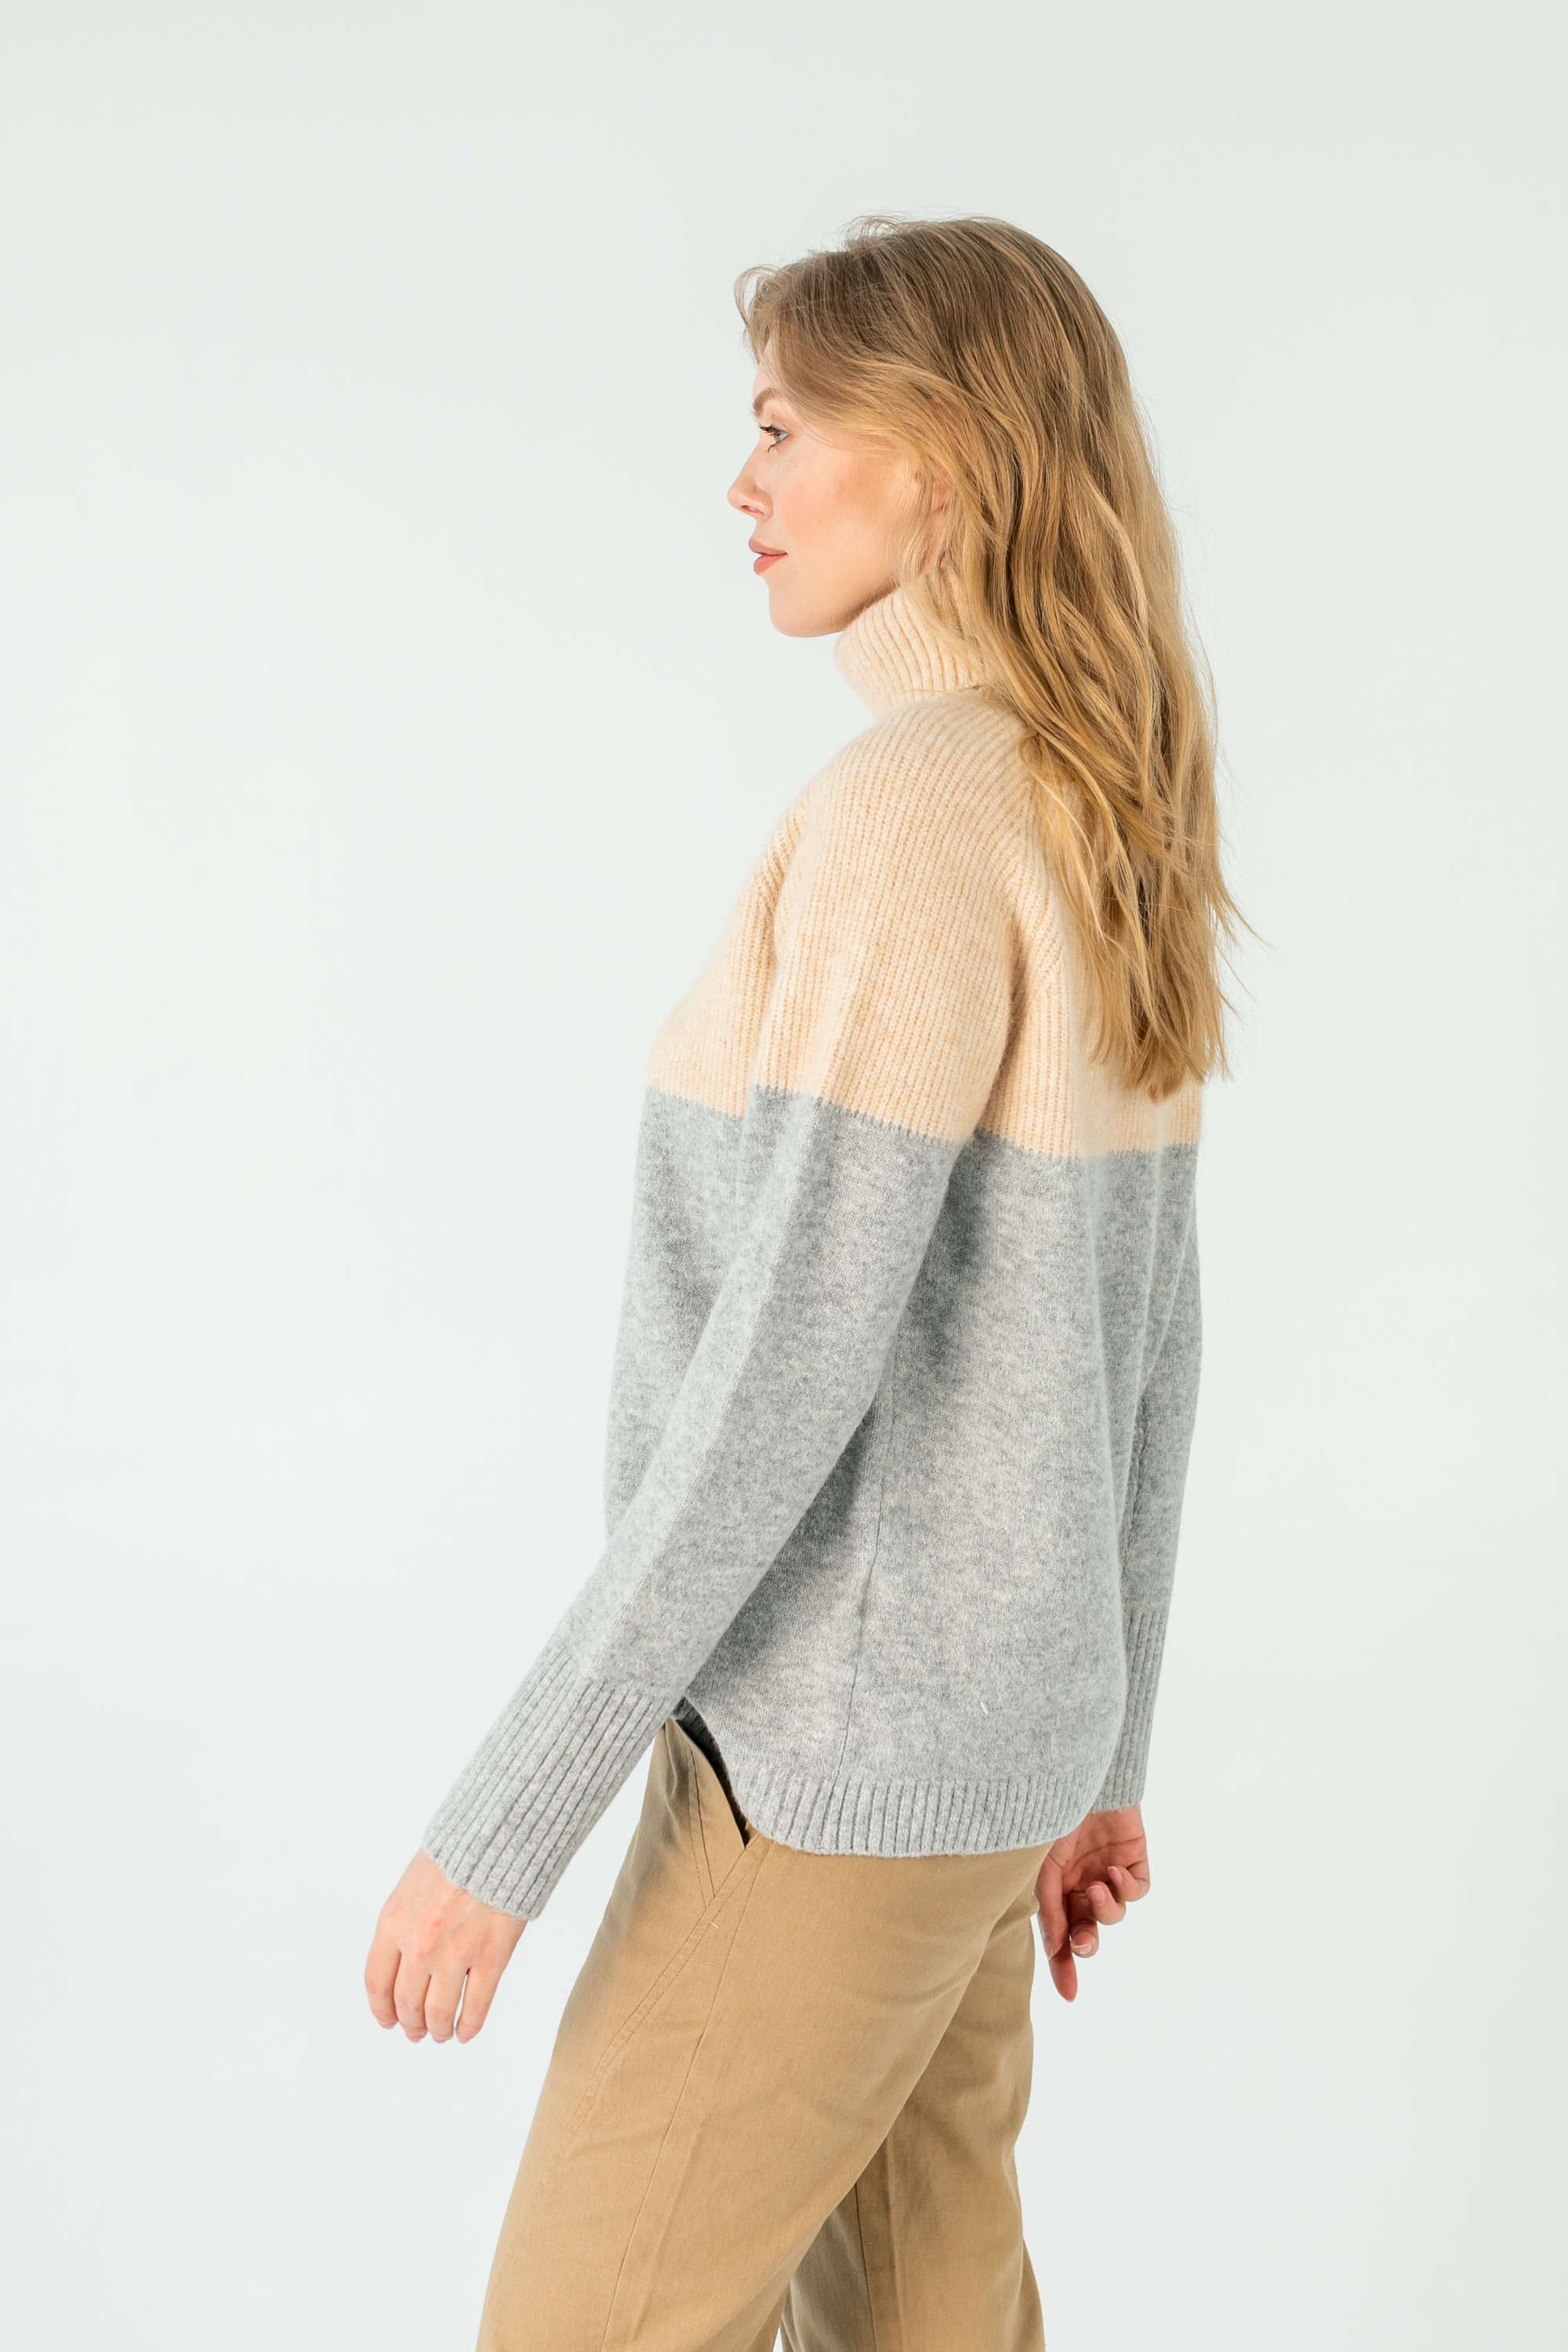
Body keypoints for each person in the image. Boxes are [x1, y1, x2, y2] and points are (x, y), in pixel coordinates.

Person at [364, 215, 1232, 2352]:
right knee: (938, 2320)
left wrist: (511, 1822)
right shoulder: (1096, 804)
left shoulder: (914, 816)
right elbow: (1152, 1347)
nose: (739, 484)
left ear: (940, 458)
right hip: (984, 1773)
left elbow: (784, 1374)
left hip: (833, 1777)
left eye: (781, 427)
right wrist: (1099, 1752)